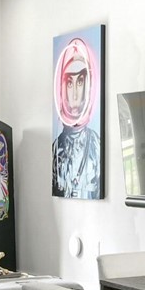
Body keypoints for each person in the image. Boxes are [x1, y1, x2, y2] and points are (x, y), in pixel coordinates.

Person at [51, 35, 101, 198]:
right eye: (69, 83)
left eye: (80, 82)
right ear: (61, 87)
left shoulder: (96, 146)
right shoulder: (55, 150)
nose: (74, 94)